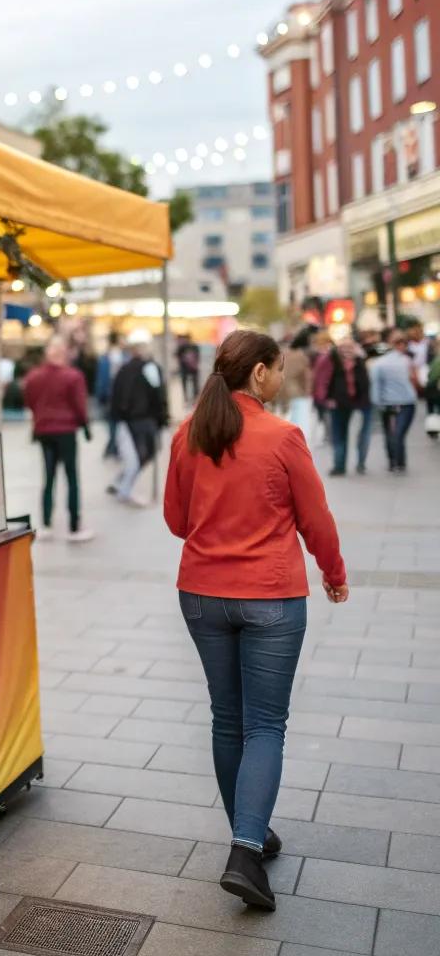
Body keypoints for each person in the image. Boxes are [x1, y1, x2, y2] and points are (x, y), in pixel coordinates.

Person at [163, 329, 348, 912]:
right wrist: (334, 572)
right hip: (270, 596)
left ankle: (250, 830)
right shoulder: (282, 436)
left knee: (227, 718)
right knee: (265, 724)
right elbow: (316, 518)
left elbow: (176, 521)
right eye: (280, 368)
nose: (283, 378)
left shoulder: (188, 434)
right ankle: (245, 849)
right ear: (260, 373)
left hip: (201, 592)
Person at [23, 338, 93, 542]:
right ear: (64, 354)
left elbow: (29, 402)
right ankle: (74, 527)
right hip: (66, 431)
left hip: (43, 430)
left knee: (48, 478)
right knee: (71, 478)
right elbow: (80, 405)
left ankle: (46, 524)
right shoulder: (73, 376)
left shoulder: (33, 376)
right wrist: (85, 426)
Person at [108, 328, 168, 506]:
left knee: (141, 454)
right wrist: (162, 417)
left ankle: (121, 482)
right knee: (142, 454)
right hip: (142, 419)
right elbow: (159, 395)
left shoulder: (126, 369)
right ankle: (124, 487)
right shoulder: (148, 368)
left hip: (133, 419)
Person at [313, 332, 371, 476]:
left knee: (361, 435)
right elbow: (322, 381)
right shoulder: (331, 361)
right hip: (338, 404)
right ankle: (339, 466)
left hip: (359, 404)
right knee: (339, 435)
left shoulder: (360, 362)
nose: (347, 351)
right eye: (344, 348)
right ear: (339, 349)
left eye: (350, 347)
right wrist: (326, 399)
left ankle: (360, 463)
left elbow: (365, 384)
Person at [370, 329, 418, 472]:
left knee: (391, 433)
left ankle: (394, 462)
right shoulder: (407, 361)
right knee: (398, 433)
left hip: (389, 403)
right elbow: (414, 380)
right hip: (405, 402)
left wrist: (377, 402)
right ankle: (398, 462)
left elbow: (375, 385)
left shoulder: (379, 363)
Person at [279, 326, 315, 444]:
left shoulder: (283, 354)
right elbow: (307, 376)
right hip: (299, 393)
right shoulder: (302, 356)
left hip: (283, 391)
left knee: (288, 419)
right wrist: (308, 391)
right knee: (300, 422)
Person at [95, 332, 125, 458]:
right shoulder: (124, 357)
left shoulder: (105, 358)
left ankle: (112, 445)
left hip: (110, 395)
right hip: (119, 395)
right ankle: (113, 445)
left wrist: (100, 396)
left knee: (111, 422)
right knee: (117, 422)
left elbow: (101, 379)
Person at [176, 332, 201, 405]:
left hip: (192, 368)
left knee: (194, 383)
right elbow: (178, 356)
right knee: (186, 383)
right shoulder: (182, 347)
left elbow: (198, 356)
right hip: (185, 368)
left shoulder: (193, 346)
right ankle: (187, 399)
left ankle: (194, 398)